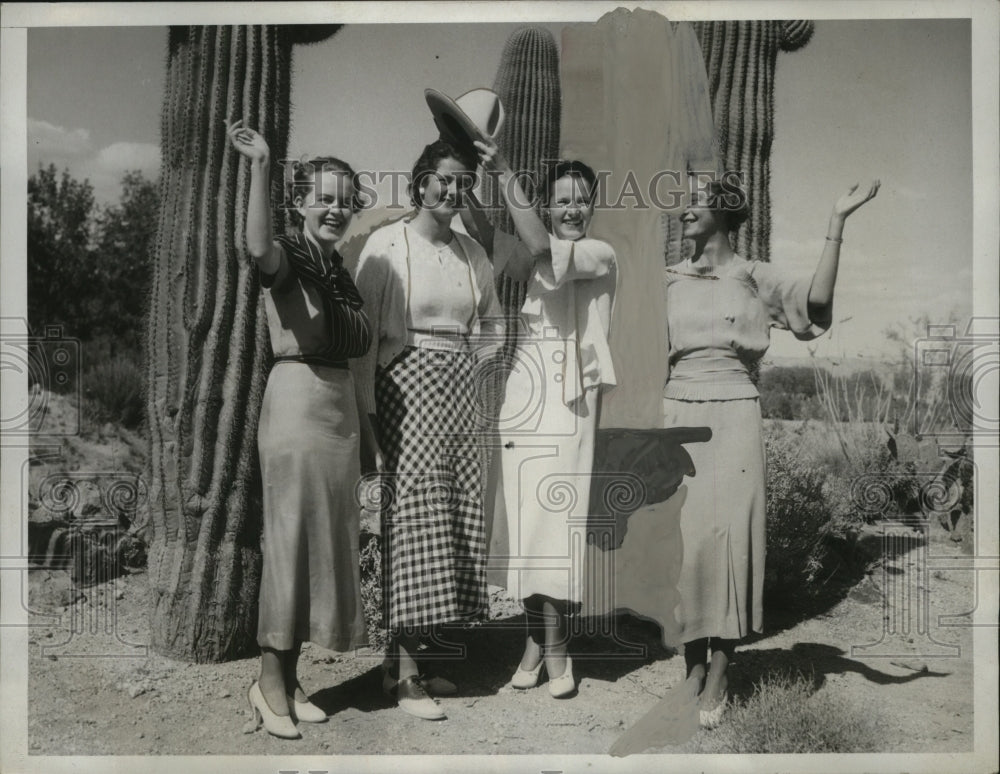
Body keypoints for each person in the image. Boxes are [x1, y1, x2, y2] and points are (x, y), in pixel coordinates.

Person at [629, 173, 880, 727]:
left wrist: (836, 222)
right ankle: (692, 665)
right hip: (677, 411)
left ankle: (721, 667)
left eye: (694, 200)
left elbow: (815, 304)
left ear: (723, 210)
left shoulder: (754, 276)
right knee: (686, 544)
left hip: (736, 410)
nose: (683, 210)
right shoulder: (665, 280)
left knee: (730, 539)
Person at [227, 120, 373, 739]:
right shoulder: (289, 256)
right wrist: (260, 166)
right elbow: (257, 249)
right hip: (296, 404)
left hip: (336, 409)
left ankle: (290, 679)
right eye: (325, 197)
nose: (336, 208)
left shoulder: (338, 269)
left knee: (320, 546)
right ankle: (266, 685)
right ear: (301, 202)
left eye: (346, 199)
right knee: (289, 543)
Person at [353, 139, 504, 720]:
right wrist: (370, 426)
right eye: (443, 180)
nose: (453, 190)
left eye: (464, 182)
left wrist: (484, 386)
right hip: (405, 384)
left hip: (461, 388)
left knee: (451, 518)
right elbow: (365, 343)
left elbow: (490, 322)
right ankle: (404, 675)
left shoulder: (471, 252)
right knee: (410, 520)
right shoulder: (386, 245)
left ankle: (417, 657)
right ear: (420, 184)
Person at [475, 139, 618, 699]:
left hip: (571, 406)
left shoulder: (600, 254)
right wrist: (470, 162)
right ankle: (535, 643)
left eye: (581, 200)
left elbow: (532, 239)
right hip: (523, 404)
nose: (571, 210)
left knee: (557, 528)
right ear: (549, 205)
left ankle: (558, 650)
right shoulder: (536, 262)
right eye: (561, 201)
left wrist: (505, 168)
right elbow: (489, 237)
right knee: (525, 529)